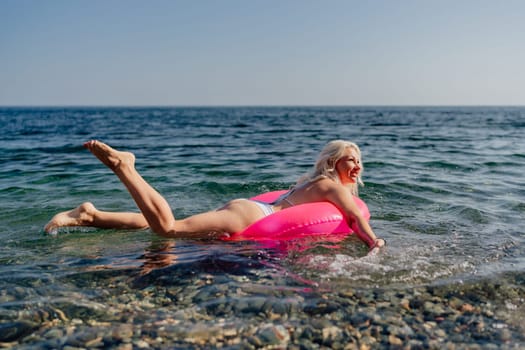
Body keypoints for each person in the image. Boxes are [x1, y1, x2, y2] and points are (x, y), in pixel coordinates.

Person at [45, 140, 386, 253]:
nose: (356, 165)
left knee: (177, 229)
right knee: (169, 229)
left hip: (253, 209)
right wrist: (374, 243)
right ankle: (126, 167)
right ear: (332, 162)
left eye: (359, 160)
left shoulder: (314, 183)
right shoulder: (332, 186)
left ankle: (90, 215)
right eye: (349, 159)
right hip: (254, 217)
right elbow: (354, 218)